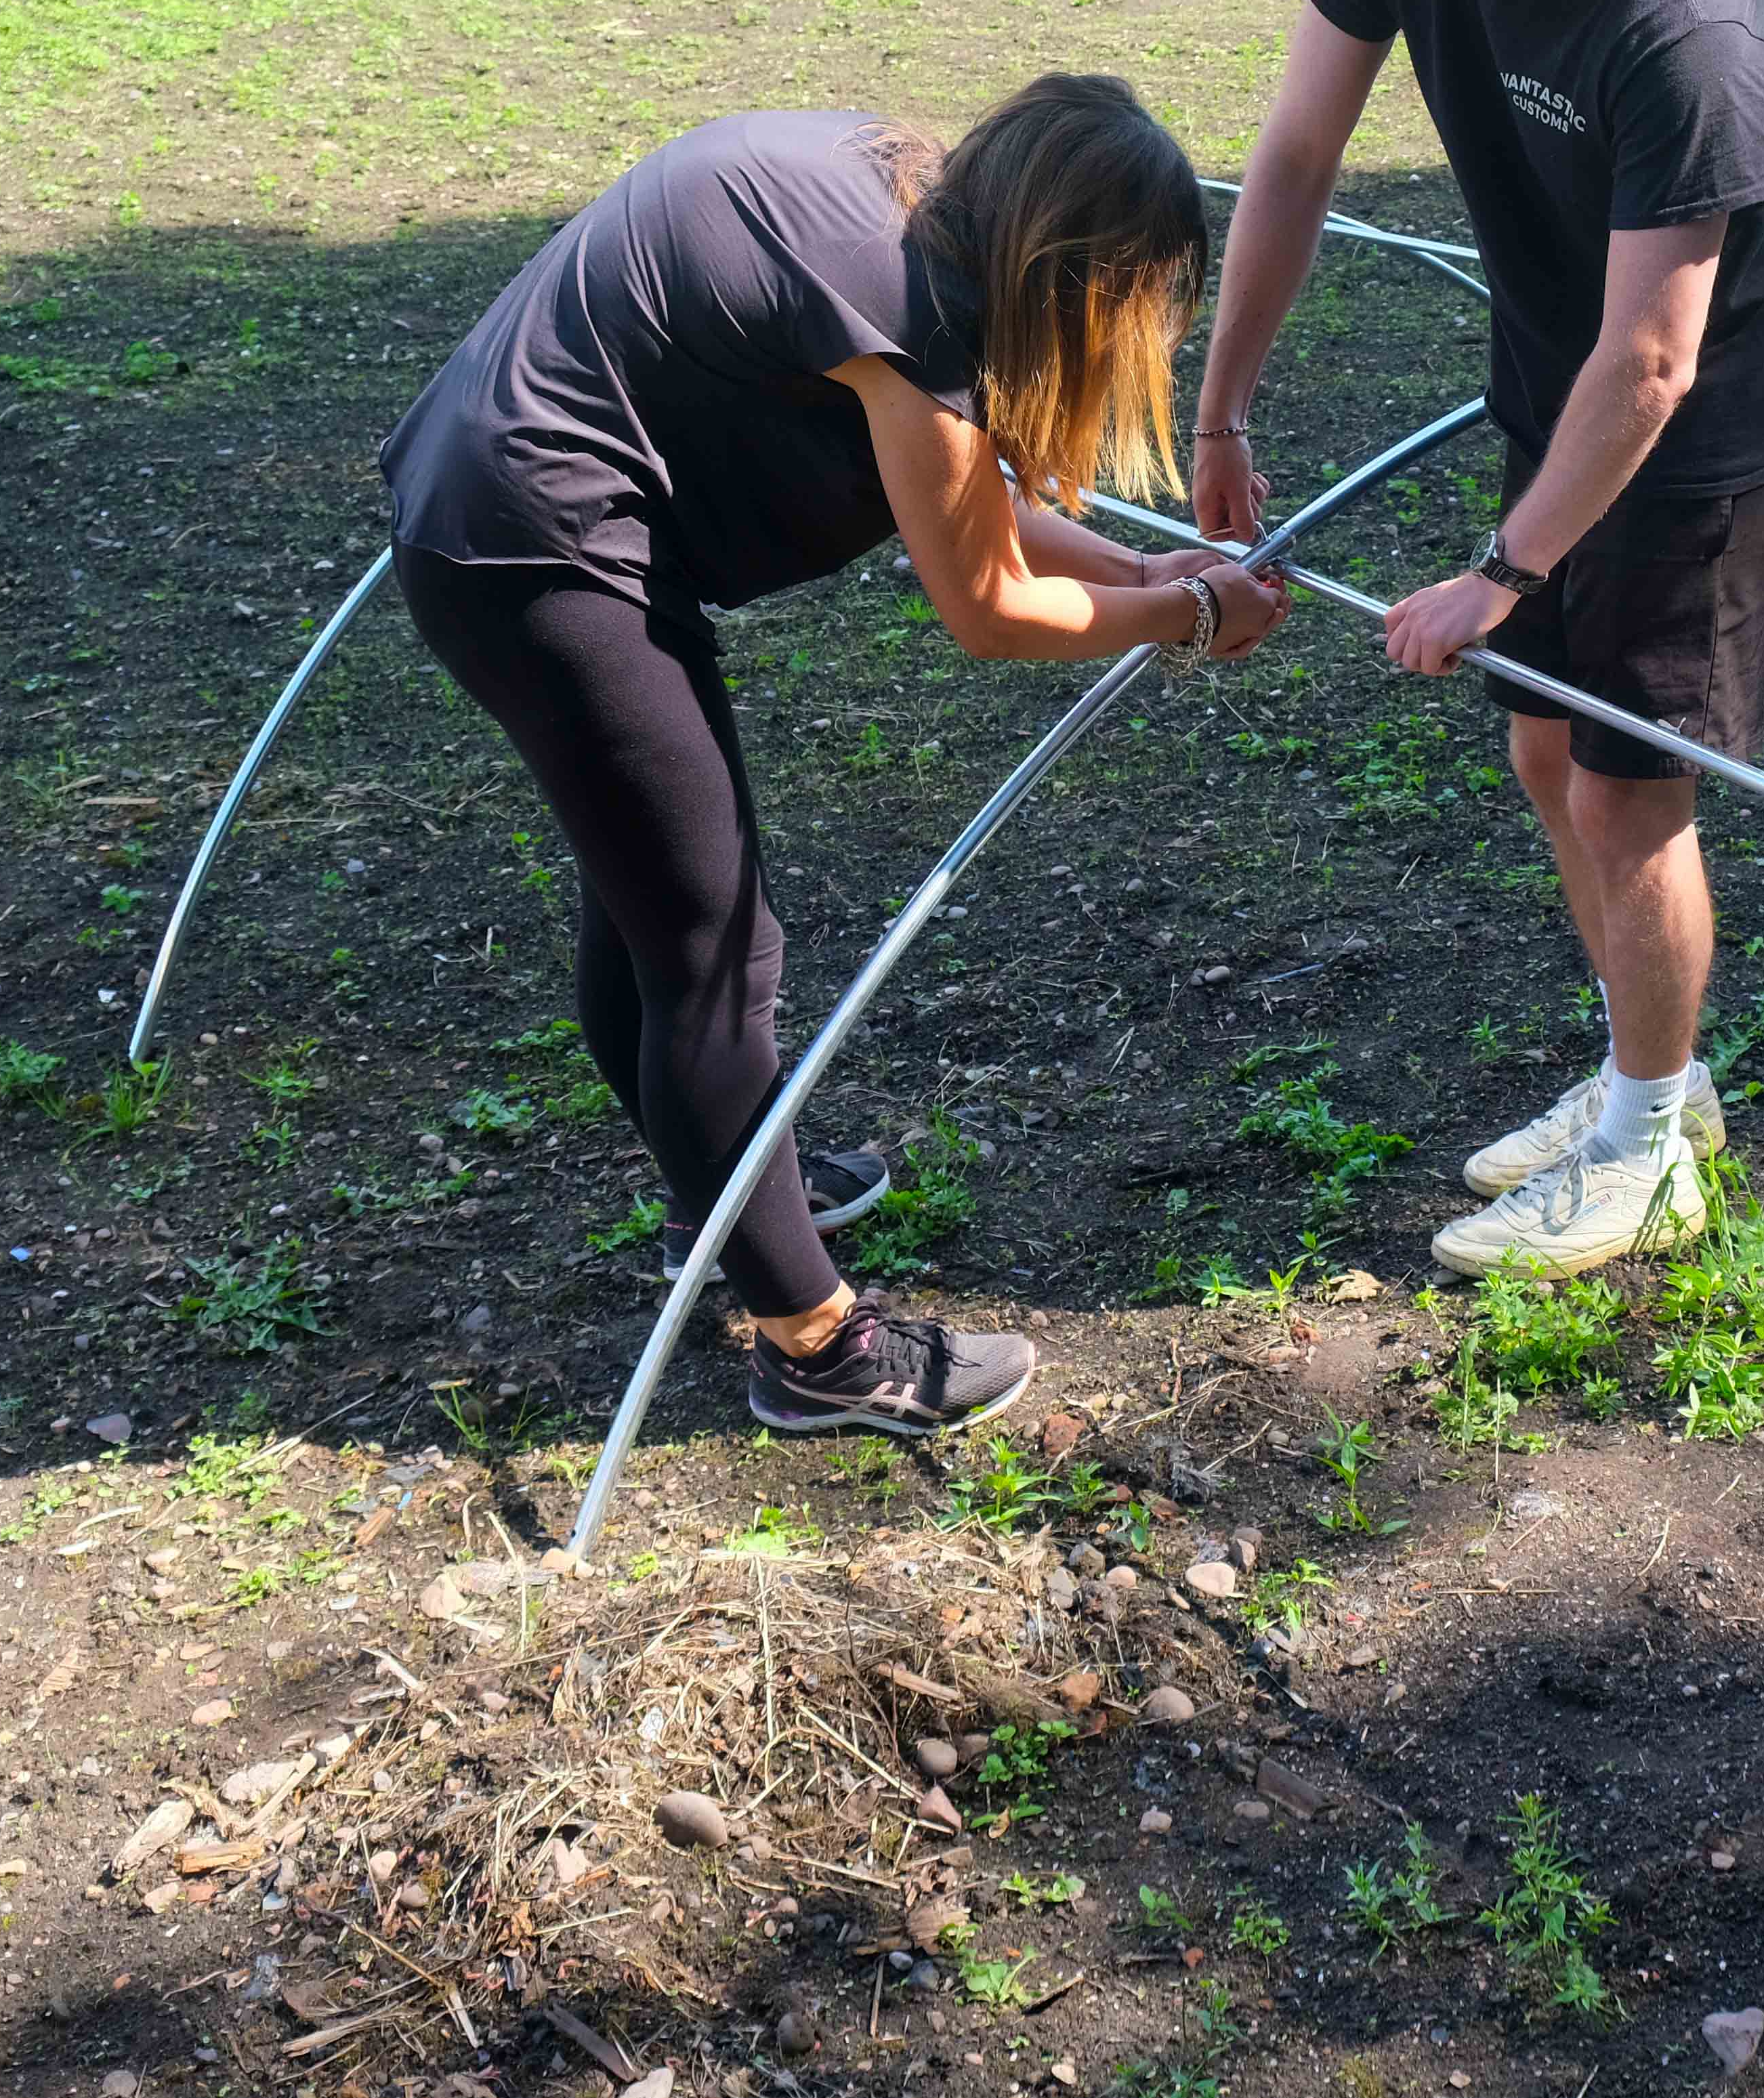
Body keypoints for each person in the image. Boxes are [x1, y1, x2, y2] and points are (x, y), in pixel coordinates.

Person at [380, 80, 1288, 1438]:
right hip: (540, 545)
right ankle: (816, 1349)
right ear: (1080, 272)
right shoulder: (909, 308)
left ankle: (732, 1196)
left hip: (497, 507)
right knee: (712, 955)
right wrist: (1190, 613)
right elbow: (985, 605)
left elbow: (964, 500)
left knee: (658, 924)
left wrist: (1148, 571)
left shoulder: (903, 201)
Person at [1197, 0, 1764, 1282]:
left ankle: (1646, 1150)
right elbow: (1291, 158)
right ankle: (1648, 1080)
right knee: (1547, 754)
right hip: (1555, 392)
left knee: (1624, 787)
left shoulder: (1674, 12)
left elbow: (1655, 366)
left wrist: (1503, 572)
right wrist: (1219, 410)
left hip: (1689, 441)